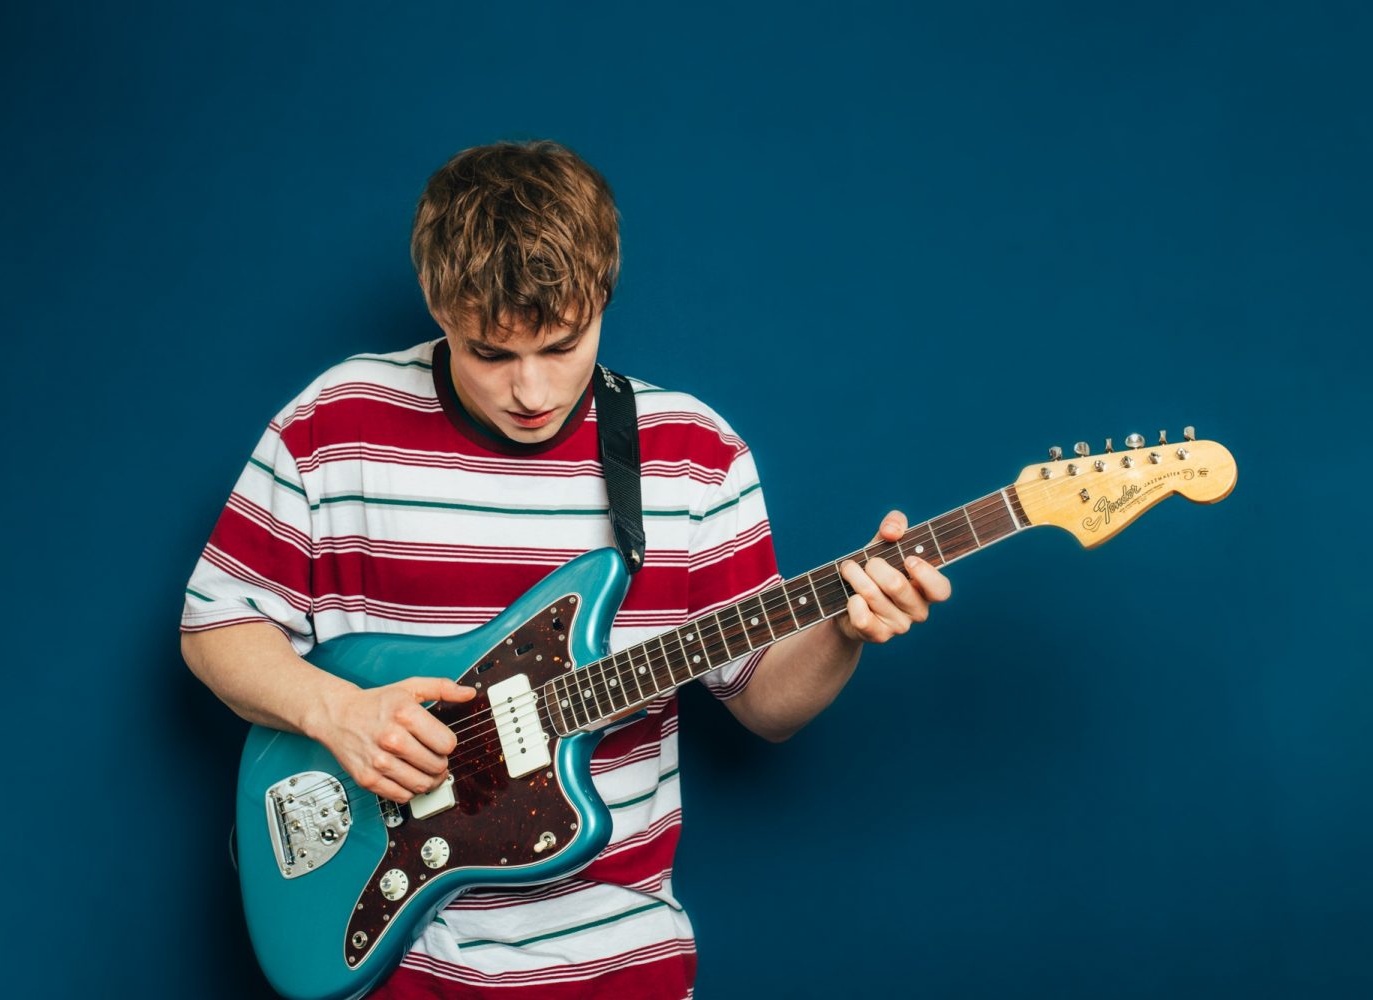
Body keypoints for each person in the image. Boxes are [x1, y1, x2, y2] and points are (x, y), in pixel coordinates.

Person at [181, 139, 951, 999]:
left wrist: (844, 627)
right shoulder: (336, 425)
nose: (533, 391)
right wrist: (338, 714)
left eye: (562, 343)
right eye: (490, 353)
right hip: (401, 969)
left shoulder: (691, 456)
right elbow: (218, 626)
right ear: (438, 305)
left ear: (603, 298)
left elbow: (766, 703)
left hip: (621, 967)